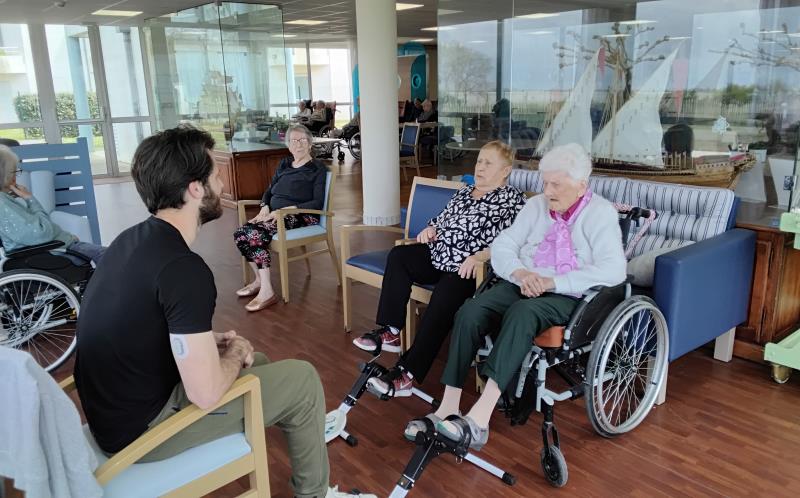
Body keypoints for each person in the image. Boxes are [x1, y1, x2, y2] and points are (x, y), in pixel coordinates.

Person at [73, 125, 375, 498]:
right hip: (144, 433)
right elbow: (205, 393)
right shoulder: (184, 270)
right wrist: (233, 350)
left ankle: (301, 426)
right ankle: (315, 493)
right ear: (195, 189)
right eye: (215, 174)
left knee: (257, 361)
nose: (221, 181)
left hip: (113, 413)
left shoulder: (130, 241)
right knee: (303, 380)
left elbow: (138, 324)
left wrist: (208, 342)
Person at [408, 143, 627, 449]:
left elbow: (614, 269)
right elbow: (504, 245)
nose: (547, 191)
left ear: (581, 186)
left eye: (556, 185)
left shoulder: (600, 214)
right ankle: (448, 405)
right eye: (545, 183)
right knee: (470, 311)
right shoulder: (536, 206)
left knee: (522, 314)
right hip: (522, 281)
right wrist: (521, 273)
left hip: (566, 293)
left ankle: (479, 419)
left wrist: (553, 281)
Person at [352, 141, 526, 400]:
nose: (480, 167)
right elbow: (442, 219)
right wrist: (431, 229)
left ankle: (407, 373)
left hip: (469, 268)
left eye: (488, 163)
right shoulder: (465, 192)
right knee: (400, 256)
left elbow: (516, 241)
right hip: (440, 254)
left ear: (505, 170)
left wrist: (481, 256)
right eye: (479, 161)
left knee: (442, 300)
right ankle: (391, 331)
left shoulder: (513, 200)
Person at [233, 124, 327, 311]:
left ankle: (267, 292)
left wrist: (287, 210)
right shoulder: (284, 164)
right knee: (241, 234)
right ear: (289, 146)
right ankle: (260, 281)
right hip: (275, 214)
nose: (298, 144)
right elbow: (269, 191)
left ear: (310, 143)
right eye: (294, 141)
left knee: (253, 235)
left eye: (302, 140)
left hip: (301, 215)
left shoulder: (317, 168)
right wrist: (264, 206)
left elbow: (317, 202)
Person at [0, 144, 105, 264]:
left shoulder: (6, 200)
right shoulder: (3, 204)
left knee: (113, 256)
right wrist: (30, 199)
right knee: (111, 256)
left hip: (58, 248)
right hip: (55, 253)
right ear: (5, 175)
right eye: (14, 171)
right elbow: (41, 233)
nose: (16, 176)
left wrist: (67, 238)